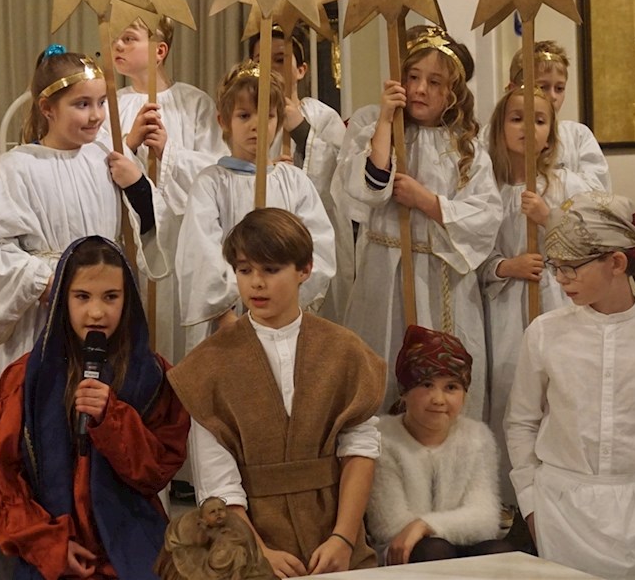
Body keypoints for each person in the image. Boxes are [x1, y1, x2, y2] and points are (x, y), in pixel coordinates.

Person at [505, 191, 635, 580]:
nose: (561, 279)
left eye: (571, 267)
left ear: (616, 262)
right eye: (555, 266)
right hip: (557, 507)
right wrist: (531, 503)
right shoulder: (545, 333)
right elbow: (521, 422)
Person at [169, 209, 385, 577]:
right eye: (244, 270)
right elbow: (218, 481)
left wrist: (344, 539)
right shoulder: (209, 365)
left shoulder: (344, 351)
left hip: (334, 539)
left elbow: (360, 449)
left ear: (304, 269)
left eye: (270, 270)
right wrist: (258, 552)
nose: (256, 283)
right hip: (245, 546)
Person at [0, 235, 189, 580]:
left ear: (128, 300)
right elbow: (0, 477)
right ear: (62, 300)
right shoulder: (27, 377)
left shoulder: (151, 376)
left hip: (129, 539)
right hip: (51, 539)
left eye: (111, 297)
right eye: (82, 296)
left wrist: (113, 419)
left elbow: (157, 470)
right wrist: (48, 544)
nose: (96, 312)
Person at [333, 25, 503, 415]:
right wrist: (385, 121)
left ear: (452, 92)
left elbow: (485, 215)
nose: (420, 89)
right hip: (384, 273)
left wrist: (427, 202)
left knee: (438, 381)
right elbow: (365, 191)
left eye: (434, 82)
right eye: (412, 77)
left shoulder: (465, 147)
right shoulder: (375, 129)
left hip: (442, 277)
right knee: (382, 365)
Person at [0, 46, 163, 374]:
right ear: (47, 108)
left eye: (101, 102)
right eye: (82, 104)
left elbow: (153, 226)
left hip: (105, 305)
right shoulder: (17, 168)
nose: (96, 115)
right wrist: (42, 281)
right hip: (47, 309)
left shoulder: (108, 154)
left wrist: (137, 184)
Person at [479, 86, 591, 505]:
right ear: (499, 128)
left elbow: (589, 241)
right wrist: (505, 266)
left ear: (551, 134)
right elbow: (471, 251)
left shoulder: (566, 184)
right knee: (510, 388)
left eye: (539, 120)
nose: (528, 128)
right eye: (517, 119)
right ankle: (512, 494)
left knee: (555, 387)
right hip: (506, 304)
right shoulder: (485, 185)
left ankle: (559, 487)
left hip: (555, 298)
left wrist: (549, 218)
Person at [175, 61, 335, 352]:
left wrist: (285, 303)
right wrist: (226, 315)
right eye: (244, 115)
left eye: (268, 115)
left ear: (279, 119)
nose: (256, 125)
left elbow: (318, 247)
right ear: (224, 120)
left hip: (285, 321)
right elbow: (200, 252)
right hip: (229, 325)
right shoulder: (211, 184)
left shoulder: (295, 182)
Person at [109, 16, 227, 361]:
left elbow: (216, 172)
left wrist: (168, 152)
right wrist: (129, 143)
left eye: (129, 38)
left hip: (179, 243)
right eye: (116, 39)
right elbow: (98, 170)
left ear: (159, 51)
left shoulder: (195, 104)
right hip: (128, 241)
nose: (117, 45)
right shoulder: (110, 105)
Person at [366, 325, 511, 565]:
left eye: (451, 387)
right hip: (403, 549)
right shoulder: (383, 438)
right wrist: (431, 529)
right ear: (404, 392)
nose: (438, 399)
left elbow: (485, 518)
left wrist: (426, 525)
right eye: (426, 385)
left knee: (499, 552)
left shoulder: (477, 437)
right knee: (434, 550)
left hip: (459, 542)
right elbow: (388, 524)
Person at [248, 25, 351, 323]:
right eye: (260, 61)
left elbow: (343, 176)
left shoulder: (322, 116)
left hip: (311, 239)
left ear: (301, 69)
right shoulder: (248, 119)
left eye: (280, 59)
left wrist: (302, 132)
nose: (270, 68)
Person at [509, 40, 610, 191]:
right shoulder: (494, 136)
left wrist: (552, 182)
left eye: (559, 88)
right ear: (514, 89)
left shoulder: (578, 136)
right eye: (542, 87)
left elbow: (598, 192)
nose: (553, 96)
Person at [155, 496, 275, 580]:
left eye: (220, 510)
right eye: (212, 512)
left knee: (239, 553)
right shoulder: (200, 531)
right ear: (203, 518)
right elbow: (201, 542)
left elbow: (241, 540)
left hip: (231, 558)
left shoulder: (235, 526)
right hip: (215, 561)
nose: (218, 514)